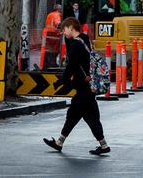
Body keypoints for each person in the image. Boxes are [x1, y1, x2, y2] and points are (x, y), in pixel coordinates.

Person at [43, 17, 110, 157]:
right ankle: (102, 145)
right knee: (82, 115)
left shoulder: (75, 44)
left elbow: (71, 66)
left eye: (64, 29)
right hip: (86, 85)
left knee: (81, 115)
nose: (63, 32)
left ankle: (61, 142)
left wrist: (61, 81)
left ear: (71, 27)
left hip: (84, 86)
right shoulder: (85, 39)